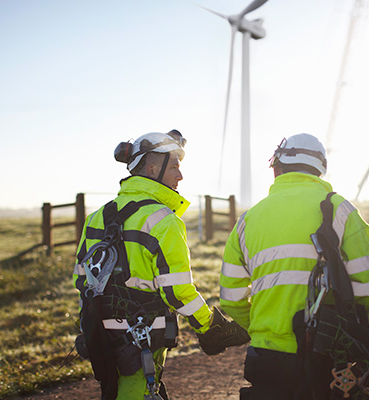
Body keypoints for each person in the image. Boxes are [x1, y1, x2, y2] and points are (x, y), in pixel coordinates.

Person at [73, 130, 249, 400]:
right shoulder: (164, 220)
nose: (180, 176)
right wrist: (211, 326)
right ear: (153, 169)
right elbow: (177, 291)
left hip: (100, 335)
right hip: (141, 339)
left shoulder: (97, 216)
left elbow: (81, 279)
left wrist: (94, 323)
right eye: (175, 167)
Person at [219, 133, 369, 399]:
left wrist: (263, 327)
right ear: (320, 170)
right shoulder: (341, 211)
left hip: (266, 355)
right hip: (327, 355)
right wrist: (351, 334)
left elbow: (231, 298)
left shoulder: (247, 220)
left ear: (277, 168)